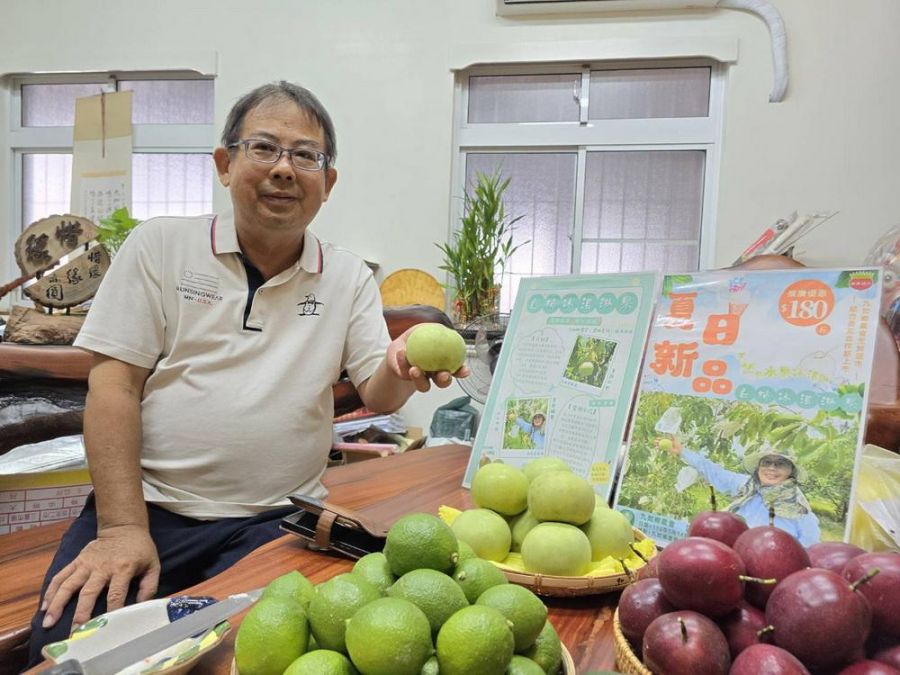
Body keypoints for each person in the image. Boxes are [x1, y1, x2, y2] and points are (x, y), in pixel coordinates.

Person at [28, 81, 467, 663]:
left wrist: (399, 361)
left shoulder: (346, 278)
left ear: (328, 183)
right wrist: (121, 530)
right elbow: (113, 387)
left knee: (273, 659)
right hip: (150, 511)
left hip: (281, 522)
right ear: (224, 164)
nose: (284, 169)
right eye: (264, 148)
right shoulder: (159, 247)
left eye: (306, 155)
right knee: (69, 655)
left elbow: (379, 394)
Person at [661, 437, 820, 545]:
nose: (772, 468)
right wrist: (683, 451)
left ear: (791, 472)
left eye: (780, 464)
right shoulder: (748, 485)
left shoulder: (798, 509)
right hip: (730, 558)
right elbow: (716, 472)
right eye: (767, 462)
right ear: (759, 467)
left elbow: (809, 549)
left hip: (766, 571)